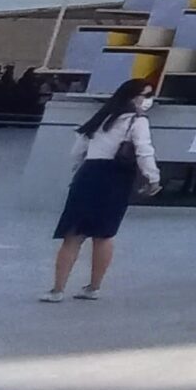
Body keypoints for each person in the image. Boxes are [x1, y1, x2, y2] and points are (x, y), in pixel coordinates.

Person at [45, 81, 160, 300]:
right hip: (115, 177)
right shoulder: (138, 121)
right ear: (133, 97)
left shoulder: (102, 117)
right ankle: (93, 287)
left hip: (89, 174)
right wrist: (153, 178)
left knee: (73, 234)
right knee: (104, 235)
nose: (148, 99)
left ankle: (57, 289)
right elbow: (145, 151)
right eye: (145, 95)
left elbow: (78, 150)